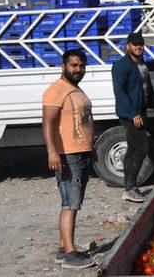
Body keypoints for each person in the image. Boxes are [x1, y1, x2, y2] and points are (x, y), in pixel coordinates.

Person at [42, 49, 95, 269]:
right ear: (63, 66)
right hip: (68, 155)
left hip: (80, 153)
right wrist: (52, 152)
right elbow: (48, 122)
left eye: (81, 65)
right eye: (74, 65)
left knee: (73, 203)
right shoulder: (56, 90)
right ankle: (70, 254)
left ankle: (64, 249)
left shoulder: (75, 88)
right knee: (70, 204)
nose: (78, 69)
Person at [111, 32, 154, 202]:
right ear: (127, 46)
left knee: (132, 150)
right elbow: (120, 92)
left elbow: (149, 66)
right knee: (141, 149)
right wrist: (133, 114)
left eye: (140, 44)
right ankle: (130, 188)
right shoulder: (121, 66)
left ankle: (129, 187)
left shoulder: (140, 63)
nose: (138, 47)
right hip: (131, 114)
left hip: (141, 112)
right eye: (134, 44)